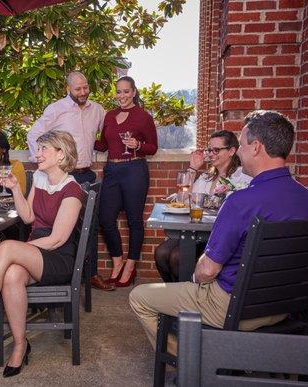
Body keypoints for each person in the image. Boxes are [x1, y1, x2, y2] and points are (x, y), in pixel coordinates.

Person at [130, 110, 308, 354]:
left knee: (140, 297)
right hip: (284, 306)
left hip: (234, 306)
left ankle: (192, 363)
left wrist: (194, 281)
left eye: (242, 144)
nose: (240, 151)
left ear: (256, 147)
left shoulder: (240, 202)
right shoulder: (304, 198)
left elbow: (207, 271)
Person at [0, 131, 84, 378]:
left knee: (6, 247)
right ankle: (21, 344)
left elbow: (57, 239)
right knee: (11, 275)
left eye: (44, 149)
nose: (37, 153)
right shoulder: (41, 178)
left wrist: (22, 250)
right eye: (38, 148)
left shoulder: (72, 190)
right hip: (37, 251)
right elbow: (28, 217)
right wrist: (15, 189)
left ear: (61, 154)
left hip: (58, 258)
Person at [26, 71, 108, 290]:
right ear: (67, 89)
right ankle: (58, 273)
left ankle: (89, 275)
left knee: (88, 227)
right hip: (63, 174)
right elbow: (33, 134)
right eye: (77, 89)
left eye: (85, 87)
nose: (83, 92)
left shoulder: (97, 110)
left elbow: (108, 136)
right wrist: (42, 163)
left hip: (86, 174)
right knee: (61, 228)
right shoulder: (56, 109)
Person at [154, 130, 251, 282]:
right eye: (209, 150)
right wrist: (193, 168)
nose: (211, 154)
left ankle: (187, 297)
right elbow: (183, 199)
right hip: (197, 232)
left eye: (216, 150)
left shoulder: (241, 177)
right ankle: (175, 294)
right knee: (161, 252)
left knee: (176, 257)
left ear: (232, 151)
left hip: (218, 238)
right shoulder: (207, 176)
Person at [94, 76, 158, 289]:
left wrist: (138, 144)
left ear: (134, 92)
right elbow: (102, 145)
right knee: (105, 219)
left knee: (134, 221)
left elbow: (153, 147)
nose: (122, 96)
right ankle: (117, 261)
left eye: (126, 91)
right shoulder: (109, 116)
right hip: (112, 170)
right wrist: (79, 137)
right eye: (118, 92)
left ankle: (129, 267)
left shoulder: (143, 117)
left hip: (134, 169)